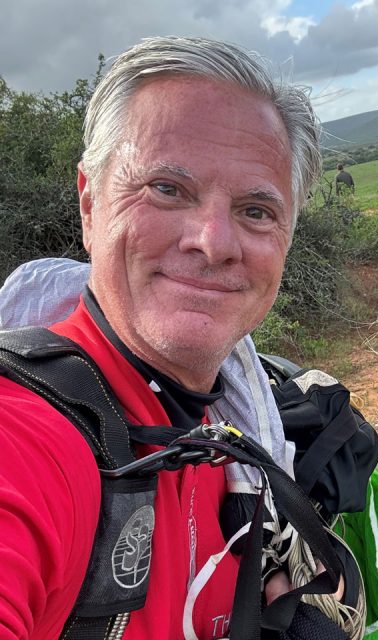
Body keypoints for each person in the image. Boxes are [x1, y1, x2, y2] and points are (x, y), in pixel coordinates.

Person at [0, 36, 359, 640]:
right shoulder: (26, 436)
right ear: (90, 205)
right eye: (167, 189)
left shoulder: (233, 436)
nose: (214, 241)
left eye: (255, 210)